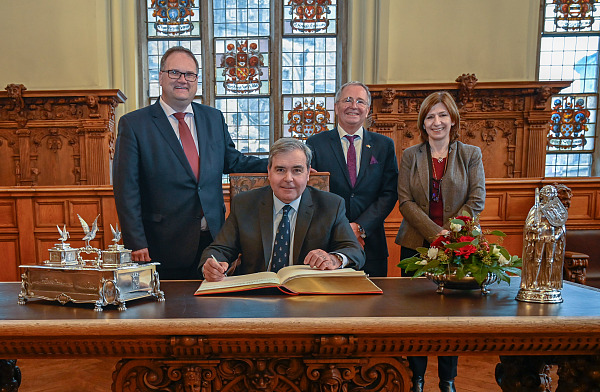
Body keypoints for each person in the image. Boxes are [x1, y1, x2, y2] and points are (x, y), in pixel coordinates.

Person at [113, 46, 267, 280]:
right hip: (162, 243)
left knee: (212, 312)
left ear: (196, 79)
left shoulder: (213, 118)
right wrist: (135, 241)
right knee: (168, 313)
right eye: (175, 73)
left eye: (190, 74)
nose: (182, 80)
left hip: (213, 242)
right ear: (161, 76)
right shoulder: (135, 125)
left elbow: (233, 161)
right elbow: (126, 189)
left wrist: (276, 165)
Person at [395, 91, 485, 392]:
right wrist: (436, 234)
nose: (437, 122)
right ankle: (416, 378)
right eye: (430, 116)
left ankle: (447, 380)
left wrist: (452, 233)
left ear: (453, 120)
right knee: (415, 317)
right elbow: (405, 202)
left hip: (460, 248)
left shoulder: (470, 154)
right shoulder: (410, 156)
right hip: (415, 245)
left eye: (442, 115)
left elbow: (476, 199)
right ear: (423, 123)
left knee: (452, 317)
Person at [200, 138, 365, 281]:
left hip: (310, 297)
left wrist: (334, 258)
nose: (288, 179)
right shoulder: (245, 204)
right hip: (256, 297)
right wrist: (212, 265)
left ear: (308, 174)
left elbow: (354, 251)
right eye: (280, 170)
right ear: (269, 173)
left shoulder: (331, 205)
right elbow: (219, 249)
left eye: (297, 170)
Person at [306, 82, 398, 277]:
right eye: (347, 100)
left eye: (360, 101)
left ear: (367, 110)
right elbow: (314, 194)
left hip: (371, 244)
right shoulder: (315, 144)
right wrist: (343, 229)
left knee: (373, 305)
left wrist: (360, 227)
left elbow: (389, 193)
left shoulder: (384, 145)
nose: (353, 106)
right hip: (328, 246)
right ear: (336, 106)